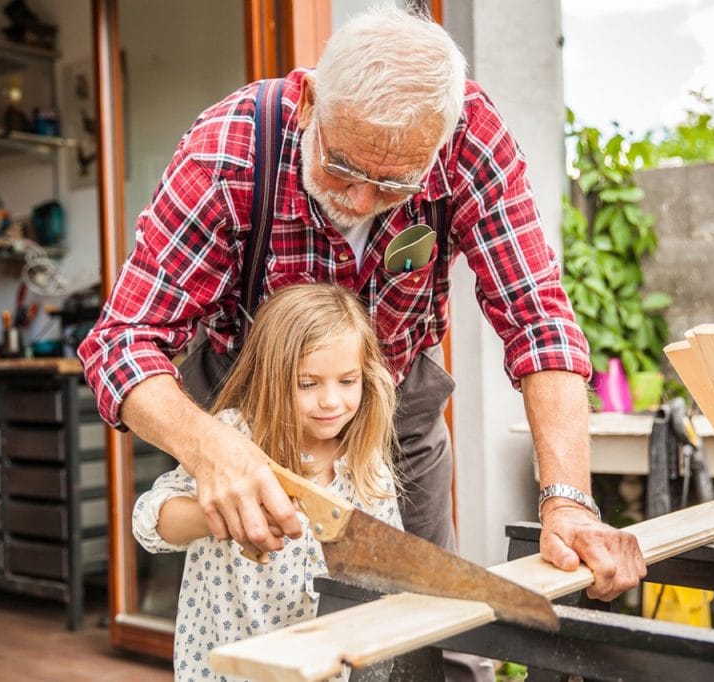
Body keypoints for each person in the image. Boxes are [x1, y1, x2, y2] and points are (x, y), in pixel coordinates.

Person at [80, 4, 646, 601]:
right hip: (254, 420)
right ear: (309, 101)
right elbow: (123, 342)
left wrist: (570, 500)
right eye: (343, 166)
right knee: (277, 616)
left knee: (431, 622)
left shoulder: (470, 139)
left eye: (395, 183)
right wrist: (211, 446)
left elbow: (539, 320)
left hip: (400, 408)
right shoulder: (228, 152)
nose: (360, 198)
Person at [132, 283, 402, 681]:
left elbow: (391, 562)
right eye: (308, 384)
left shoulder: (365, 460)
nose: (331, 401)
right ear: (272, 378)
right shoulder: (233, 441)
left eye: (347, 381)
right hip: (235, 668)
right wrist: (226, 514)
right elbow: (149, 524)